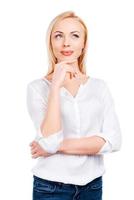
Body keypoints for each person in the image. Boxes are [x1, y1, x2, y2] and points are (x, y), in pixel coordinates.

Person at [26, 11, 122, 200]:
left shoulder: (99, 87)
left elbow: (114, 140)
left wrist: (53, 147)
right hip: (50, 188)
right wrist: (55, 88)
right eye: (58, 36)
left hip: (92, 187)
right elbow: (50, 140)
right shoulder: (37, 88)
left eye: (75, 35)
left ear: (84, 44)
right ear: (50, 43)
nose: (66, 43)